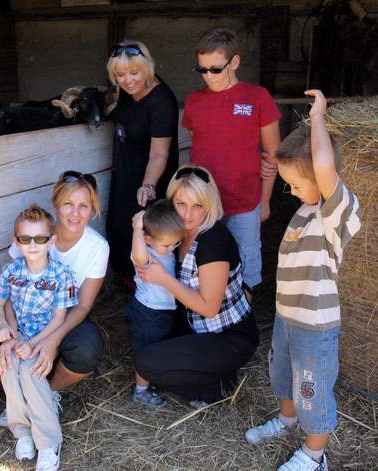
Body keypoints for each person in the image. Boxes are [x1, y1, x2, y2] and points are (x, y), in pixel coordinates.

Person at [243, 90, 362, 471]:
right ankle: (287, 419)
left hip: (315, 326)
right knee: (282, 377)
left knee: (311, 389)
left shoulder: (335, 214)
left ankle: (314, 455)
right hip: (288, 319)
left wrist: (319, 119)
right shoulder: (304, 212)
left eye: (296, 184)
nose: (291, 192)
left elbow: (324, 168)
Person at [0, 171, 109, 425]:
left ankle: (46, 395)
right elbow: (10, 290)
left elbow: (84, 305)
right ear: (56, 204)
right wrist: (11, 331)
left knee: (88, 347)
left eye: (83, 206)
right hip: (22, 317)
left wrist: (53, 340)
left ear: (93, 209)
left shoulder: (97, 247)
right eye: (68, 204)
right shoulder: (34, 233)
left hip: (61, 319)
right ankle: (19, 392)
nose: (75, 213)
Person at [135, 165, 260, 405]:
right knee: (147, 342)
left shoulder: (213, 239)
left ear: (209, 205)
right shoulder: (176, 231)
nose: (187, 215)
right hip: (196, 326)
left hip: (228, 336)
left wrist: (162, 278)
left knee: (146, 363)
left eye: (197, 206)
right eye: (181, 204)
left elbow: (209, 308)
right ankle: (206, 372)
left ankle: (218, 385)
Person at [182, 26, 282, 292]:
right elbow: (200, 143)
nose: (208, 76)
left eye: (215, 69)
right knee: (204, 262)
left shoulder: (257, 97)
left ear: (234, 62)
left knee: (245, 265)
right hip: (204, 203)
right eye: (202, 70)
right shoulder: (194, 101)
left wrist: (264, 201)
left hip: (244, 202)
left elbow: (273, 153)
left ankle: (243, 322)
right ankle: (207, 318)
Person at [0, 204, 78, 471]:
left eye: (40, 238)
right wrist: (3, 328)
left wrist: (35, 344)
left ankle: (49, 441)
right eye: (25, 239)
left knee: (31, 372)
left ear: (51, 240)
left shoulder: (61, 274)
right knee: (8, 368)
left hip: (45, 336)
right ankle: (23, 432)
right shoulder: (11, 271)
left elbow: (59, 318)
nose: (32, 245)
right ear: (15, 241)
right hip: (18, 335)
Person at [105, 40, 180, 286]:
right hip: (126, 168)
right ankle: (128, 283)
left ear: (147, 68)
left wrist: (148, 186)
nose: (128, 80)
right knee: (119, 228)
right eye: (120, 75)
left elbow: (159, 154)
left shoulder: (162, 101)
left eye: (134, 73)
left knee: (146, 230)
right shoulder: (125, 91)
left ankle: (151, 289)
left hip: (151, 173)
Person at [127, 200, 184, 407]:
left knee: (159, 345)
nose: (172, 249)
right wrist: (137, 227)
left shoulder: (163, 249)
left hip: (163, 311)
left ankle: (154, 378)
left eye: (176, 243)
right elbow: (139, 254)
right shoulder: (145, 255)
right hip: (148, 312)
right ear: (148, 239)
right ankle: (140, 391)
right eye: (168, 245)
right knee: (146, 348)